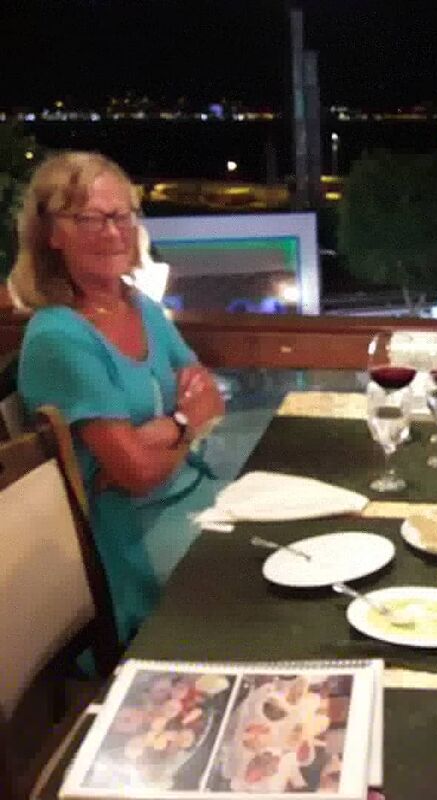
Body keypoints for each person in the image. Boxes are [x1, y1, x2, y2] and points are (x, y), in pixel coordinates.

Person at [12, 151, 225, 642]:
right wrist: (182, 422)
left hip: (196, 501)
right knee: (269, 592)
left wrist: (161, 432)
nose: (112, 232)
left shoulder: (138, 304)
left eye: (121, 215)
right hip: (136, 543)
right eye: (90, 218)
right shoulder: (59, 337)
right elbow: (137, 475)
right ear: (52, 233)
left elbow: (211, 398)